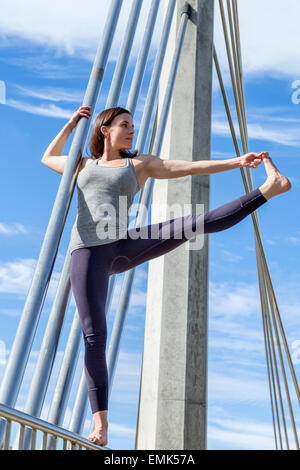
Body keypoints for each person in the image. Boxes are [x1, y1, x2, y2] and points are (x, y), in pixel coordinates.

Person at [41, 105, 291, 446]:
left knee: (193, 223)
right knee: (94, 335)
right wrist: (71, 125)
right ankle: (101, 425)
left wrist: (236, 161)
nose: (132, 130)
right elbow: (48, 157)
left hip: (123, 244)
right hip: (87, 253)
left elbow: (188, 167)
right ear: (105, 130)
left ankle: (269, 189)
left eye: (133, 125)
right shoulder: (82, 166)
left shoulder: (140, 164)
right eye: (124, 125)